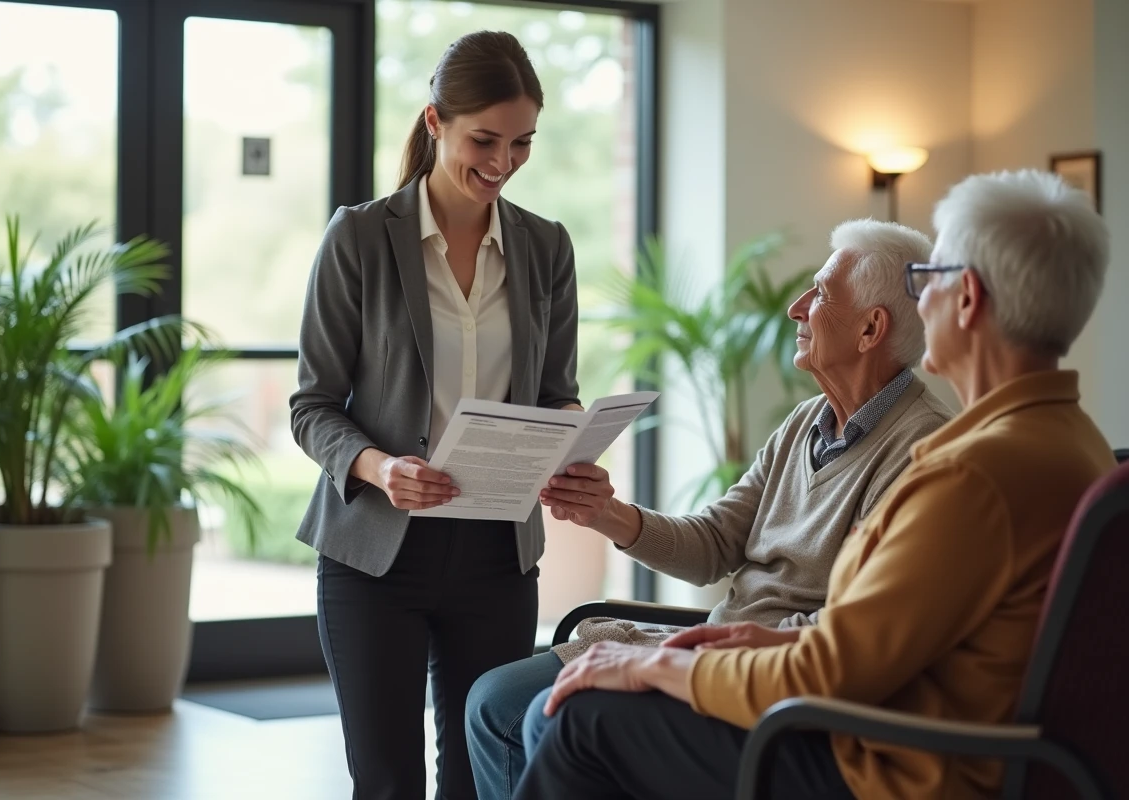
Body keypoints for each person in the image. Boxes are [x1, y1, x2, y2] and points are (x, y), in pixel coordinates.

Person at [513, 169, 1116, 800]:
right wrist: (739, 637)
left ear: (964, 299)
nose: (921, 301)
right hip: (943, 744)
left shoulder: (968, 475)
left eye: (926, 280)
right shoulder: (1077, 447)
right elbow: (879, 637)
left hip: (890, 766)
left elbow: (831, 669)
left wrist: (654, 662)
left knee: (579, 721)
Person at [465, 219, 954, 800]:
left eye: (820, 293)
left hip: (768, 677)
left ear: (872, 328)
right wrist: (607, 512)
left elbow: (852, 637)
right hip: (720, 644)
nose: (796, 308)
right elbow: (717, 542)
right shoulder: (805, 422)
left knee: (558, 712)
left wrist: (701, 655)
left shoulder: (923, 452)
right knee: (493, 703)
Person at [289, 31, 582, 800]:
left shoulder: (546, 247)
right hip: (374, 559)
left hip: (497, 557)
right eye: (484, 139)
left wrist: (573, 438)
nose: (503, 161)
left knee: (481, 779)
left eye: (522, 143)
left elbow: (556, 390)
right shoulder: (358, 237)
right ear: (434, 123)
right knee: (387, 781)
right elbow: (312, 404)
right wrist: (380, 468)